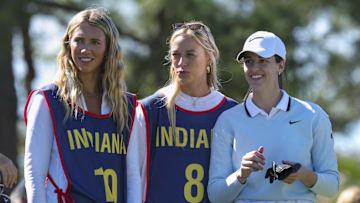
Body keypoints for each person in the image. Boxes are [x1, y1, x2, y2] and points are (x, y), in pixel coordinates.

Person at [208, 31, 340, 202]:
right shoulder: (228, 120)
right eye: (249, 62)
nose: (254, 68)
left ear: (280, 66)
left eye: (263, 61)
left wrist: (302, 174)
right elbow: (216, 196)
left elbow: (332, 187)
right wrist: (241, 174)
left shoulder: (313, 116)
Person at [24, 8, 140, 203]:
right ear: (68, 45)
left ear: (108, 49)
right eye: (79, 41)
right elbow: (34, 174)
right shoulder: (48, 100)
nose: (85, 49)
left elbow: (133, 177)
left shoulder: (126, 106)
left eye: (95, 42)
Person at [134, 21, 238, 203]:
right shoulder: (149, 110)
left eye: (190, 55)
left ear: (210, 57)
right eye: (176, 55)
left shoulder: (232, 113)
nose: (181, 63)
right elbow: (134, 178)